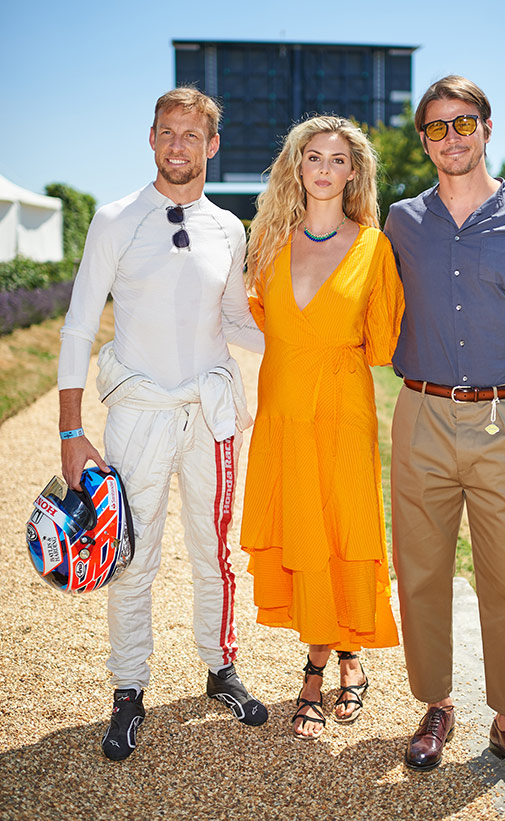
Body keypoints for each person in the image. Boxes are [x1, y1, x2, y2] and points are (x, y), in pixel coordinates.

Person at [57, 87, 268, 761]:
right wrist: (70, 431)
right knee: (131, 559)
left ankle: (220, 667)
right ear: (151, 139)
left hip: (210, 414)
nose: (179, 145)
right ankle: (127, 690)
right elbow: (79, 325)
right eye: (167, 133)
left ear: (212, 145)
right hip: (138, 414)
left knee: (214, 553)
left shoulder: (229, 228)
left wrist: (309, 337)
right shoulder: (116, 218)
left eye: (192, 135)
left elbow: (237, 319)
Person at [384, 76, 505, 797]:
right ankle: (436, 706)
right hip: (422, 417)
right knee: (422, 572)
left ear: (488, 128)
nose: (452, 138)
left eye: (464, 124)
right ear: (425, 140)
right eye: (437, 128)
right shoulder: (402, 220)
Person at [240, 115, 405, 740]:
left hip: (341, 415)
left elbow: (386, 340)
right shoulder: (270, 243)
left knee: (343, 530)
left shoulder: (374, 247)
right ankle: (324, 657)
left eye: (340, 160)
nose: (326, 169)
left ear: (355, 171)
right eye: (315, 158)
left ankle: (342, 662)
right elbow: (253, 320)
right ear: (297, 167)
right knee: (304, 533)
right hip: (283, 416)